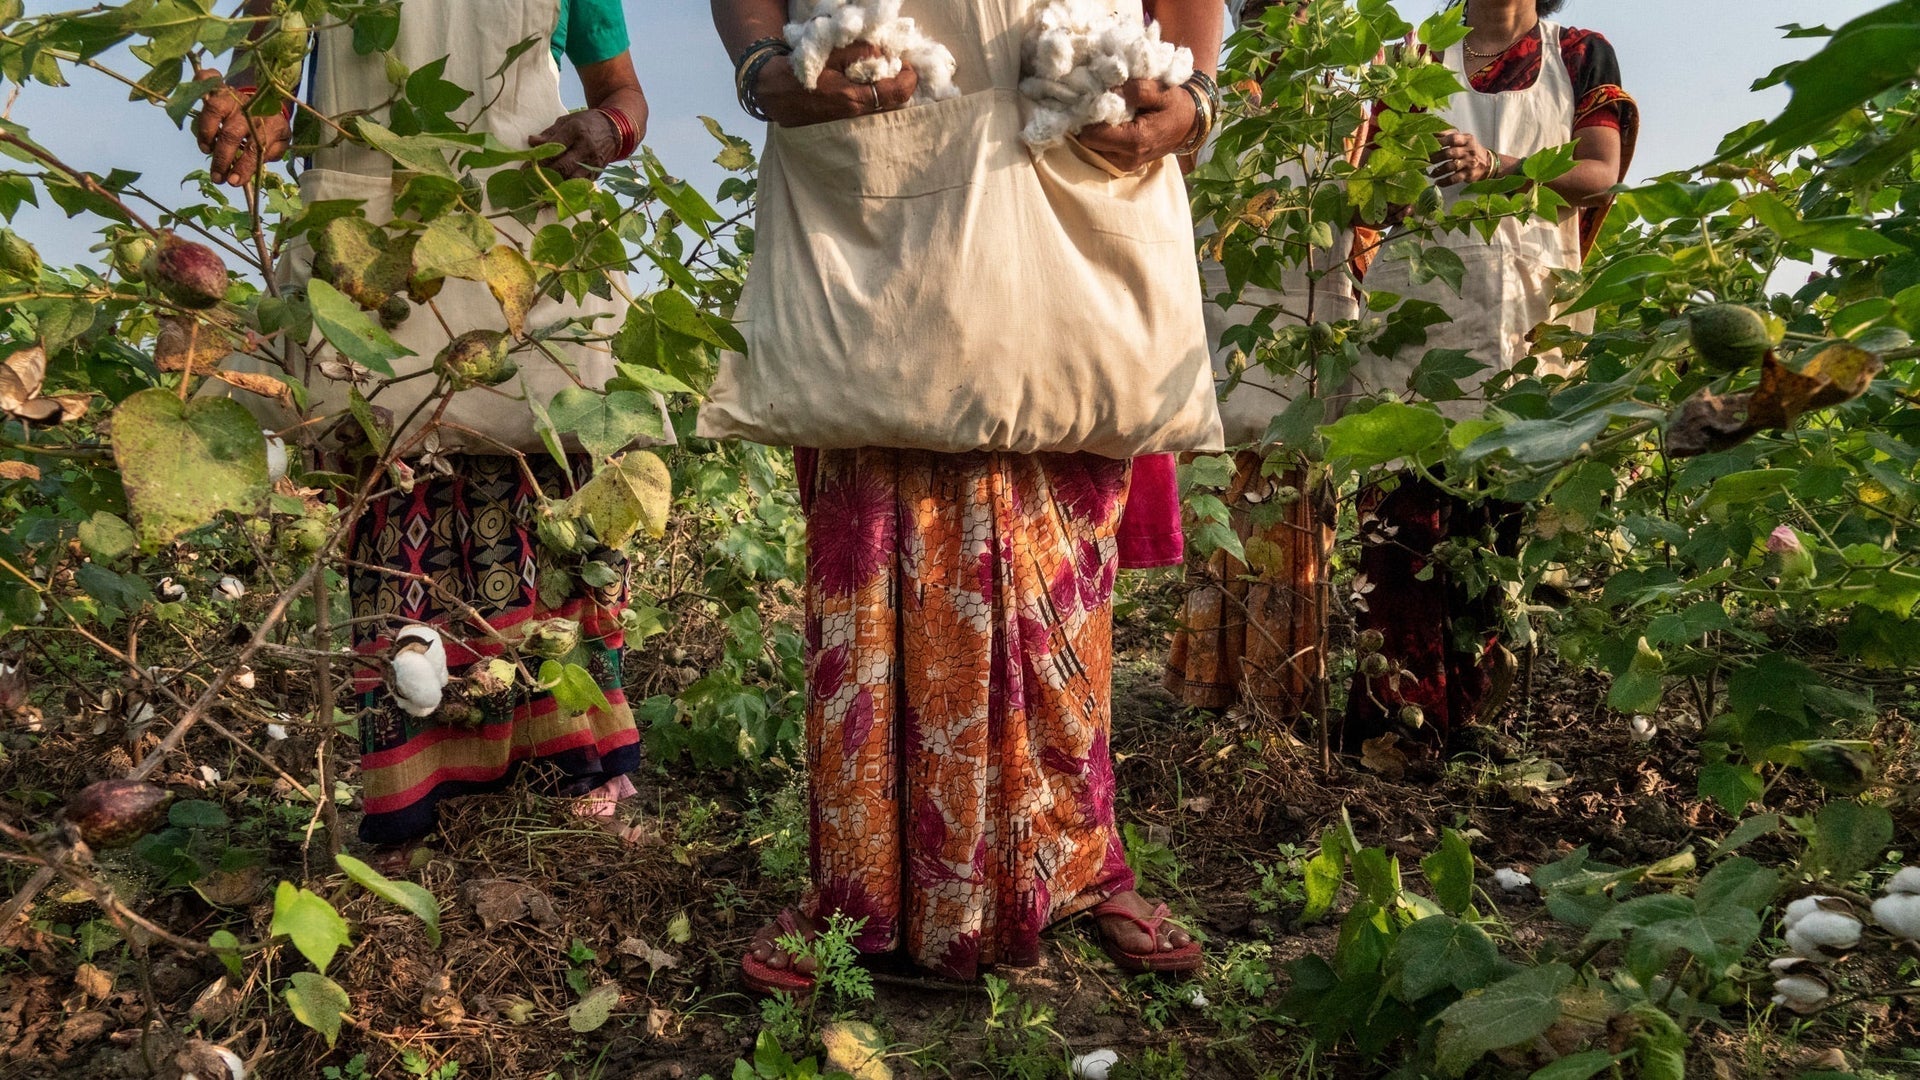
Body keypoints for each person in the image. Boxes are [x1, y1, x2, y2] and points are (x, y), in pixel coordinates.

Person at [708, 0, 1224, 991]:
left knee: (1062, 536)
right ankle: (856, 885)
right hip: (870, 137)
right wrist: (766, 62)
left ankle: (1074, 859)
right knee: (872, 502)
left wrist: (1192, 97)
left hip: (1073, 130)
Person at [191, 0, 657, 857]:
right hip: (369, 245)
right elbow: (265, 81)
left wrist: (603, 130)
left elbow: (623, 93)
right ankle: (419, 783)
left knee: (544, 491)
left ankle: (576, 759)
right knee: (390, 497)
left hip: (518, 232)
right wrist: (244, 110)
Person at [1342, 0, 1638, 751]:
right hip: (1417, 304)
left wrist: (1499, 170)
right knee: (1400, 517)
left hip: (1524, 309)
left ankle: (1473, 723)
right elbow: (1375, 187)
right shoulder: (1417, 53)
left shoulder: (1578, 52)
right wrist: (1398, 171)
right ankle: (1395, 726)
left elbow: (1598, 173)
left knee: (1495, 523)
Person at [1165, 0, 1359, 729]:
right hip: (1220, 319)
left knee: (1290, 503)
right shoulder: (1208, 82)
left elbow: (1376, 216)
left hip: (1306, 328)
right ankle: (1214, 681)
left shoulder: (1348, 94)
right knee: (1221, 496)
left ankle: (1275, 694)